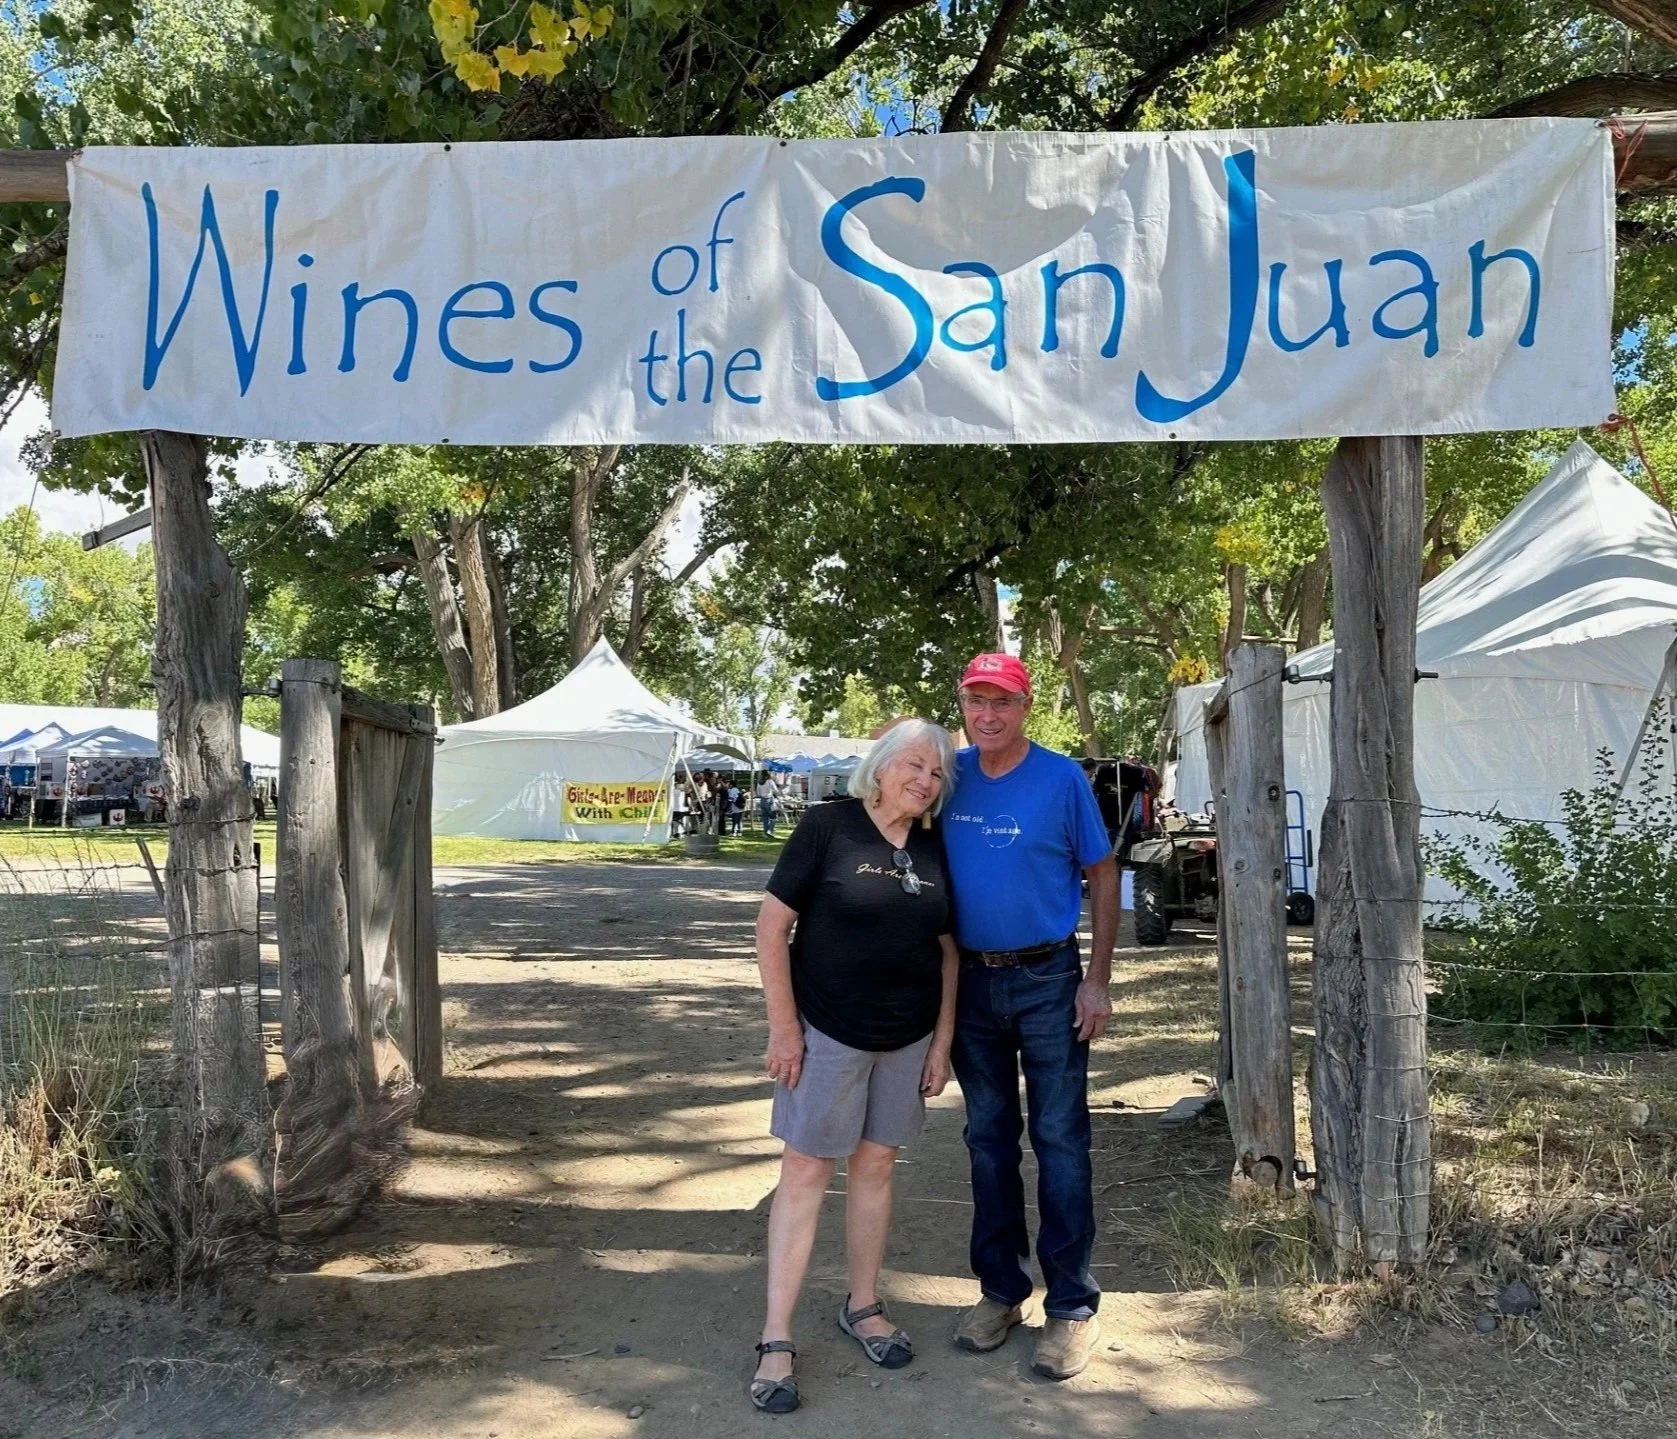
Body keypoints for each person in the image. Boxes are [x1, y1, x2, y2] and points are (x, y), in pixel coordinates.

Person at [748, 719, 960, 1414]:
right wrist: (785, 1029)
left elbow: (949, 950)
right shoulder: (827, 825)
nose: (924, 779)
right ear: (881, 763)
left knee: (875, 1166)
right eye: (914, 763)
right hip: (827, 1034)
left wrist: (940, 1041)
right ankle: (775, 1335)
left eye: (936, 773)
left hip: (905, 1039)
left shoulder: (933, 845)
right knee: (806, 1170)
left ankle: (863, 1305)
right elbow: (771, 925)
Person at [942, 652, 1119, 1382]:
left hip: (1049, 978)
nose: (987, 715)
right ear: (962, 704)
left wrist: (1097, 981)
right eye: (975, 701)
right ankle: (1001, 1291)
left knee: (1058, 1137)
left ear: (1026, 706)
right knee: (986, 1139)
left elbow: (1102, 874)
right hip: (972, 986)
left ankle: (1072, 1304)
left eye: (1001, 702)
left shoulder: (1061, 778)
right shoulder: (943, 777)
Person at [755, 771, 779, 837]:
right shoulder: (770, 781)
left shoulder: (759, 783)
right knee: (773, 817)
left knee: (765, 818)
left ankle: (766, 832)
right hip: (769, 800)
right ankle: (770, 830)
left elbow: (758, 793)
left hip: (762, 800)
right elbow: (776, 790)